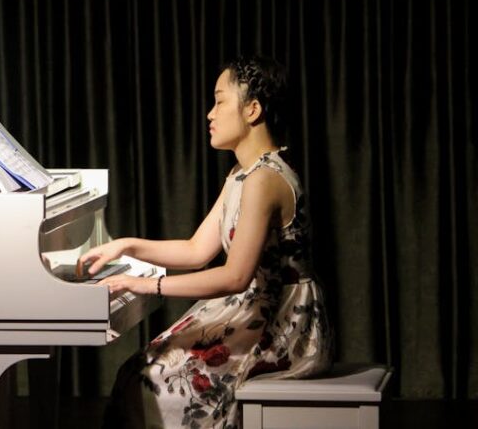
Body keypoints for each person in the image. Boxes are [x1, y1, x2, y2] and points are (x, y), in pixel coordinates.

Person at [79, 56, 332, 429]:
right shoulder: (242, 174)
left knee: (149, 382)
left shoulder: (266, 179)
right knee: (138, 371)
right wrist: (126, 245)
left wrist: (147, 284)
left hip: (282, 324)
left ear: (253, 109)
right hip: (255, 311)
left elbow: (235, 277)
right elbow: (196, 249)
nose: (210, 114)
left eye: (219, 101)